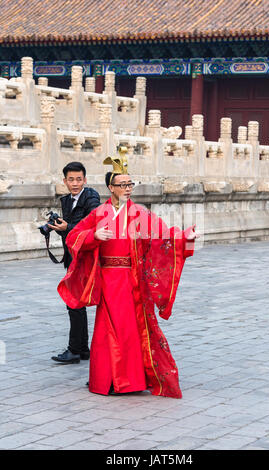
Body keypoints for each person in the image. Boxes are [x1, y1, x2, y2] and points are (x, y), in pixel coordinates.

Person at [57, 149, 199, 397]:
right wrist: (94, 236)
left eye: (130, 184)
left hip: (132, 280)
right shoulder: (99, 214)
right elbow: (73, 236)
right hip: (107, 278)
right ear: (111, 188)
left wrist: (186, 239)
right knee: (106, 332)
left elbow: (163, 237)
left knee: (129, 331)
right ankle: (106, 380)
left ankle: (131, 381)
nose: (128, 188)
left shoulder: (139, 214)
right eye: (122, 184)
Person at [49, 161, 100, 364]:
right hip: (72, 257)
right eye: (71, 179)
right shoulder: (66, 200)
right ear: (65, 181)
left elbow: (92, 221)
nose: (75, 183)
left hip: (85, 258)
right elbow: (71, 227)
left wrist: (67, 226)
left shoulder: (91, 196)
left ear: (85, 180)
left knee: (73, 302)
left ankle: (74, 350)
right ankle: (82, 349)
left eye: (79, 179)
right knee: (75, 303)